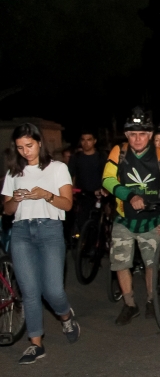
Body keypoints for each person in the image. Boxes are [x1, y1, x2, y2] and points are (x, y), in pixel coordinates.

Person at [103, 107, 160, 325]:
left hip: (151, 220)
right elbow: (107, 179)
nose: (138, 138)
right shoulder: (120, 151)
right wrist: (130, 195)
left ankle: (151, 301)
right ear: (126, 135)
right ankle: (129, 305)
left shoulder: (159, 154)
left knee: (151, 264)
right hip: (124, 218)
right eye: (133, 134)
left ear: (150, 135)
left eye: (143, 134)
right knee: (120, 263)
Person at [2, 123, 80, 364]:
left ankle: (66, 317)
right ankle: (36, 344)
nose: (25, 151)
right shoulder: (13, 172)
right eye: (20, 147)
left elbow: (67, 204)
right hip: (22, 231)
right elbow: (6, 210)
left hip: (50, 229)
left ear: (39, 143)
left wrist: (46, 195)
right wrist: (15, 200)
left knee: (53, 290)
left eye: (29, 145)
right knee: (30, 292)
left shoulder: (57, 168)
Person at [68, 129, 106, 233]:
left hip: (99, 196)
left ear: (94, 141)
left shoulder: (101, 157)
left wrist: (104, 190)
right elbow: (70, 176)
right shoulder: (75, 158)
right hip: (82, 196)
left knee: (98, 224)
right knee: (81, 224)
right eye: (83, 140)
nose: (86, 143)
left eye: (89, 140)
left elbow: (107, 176)